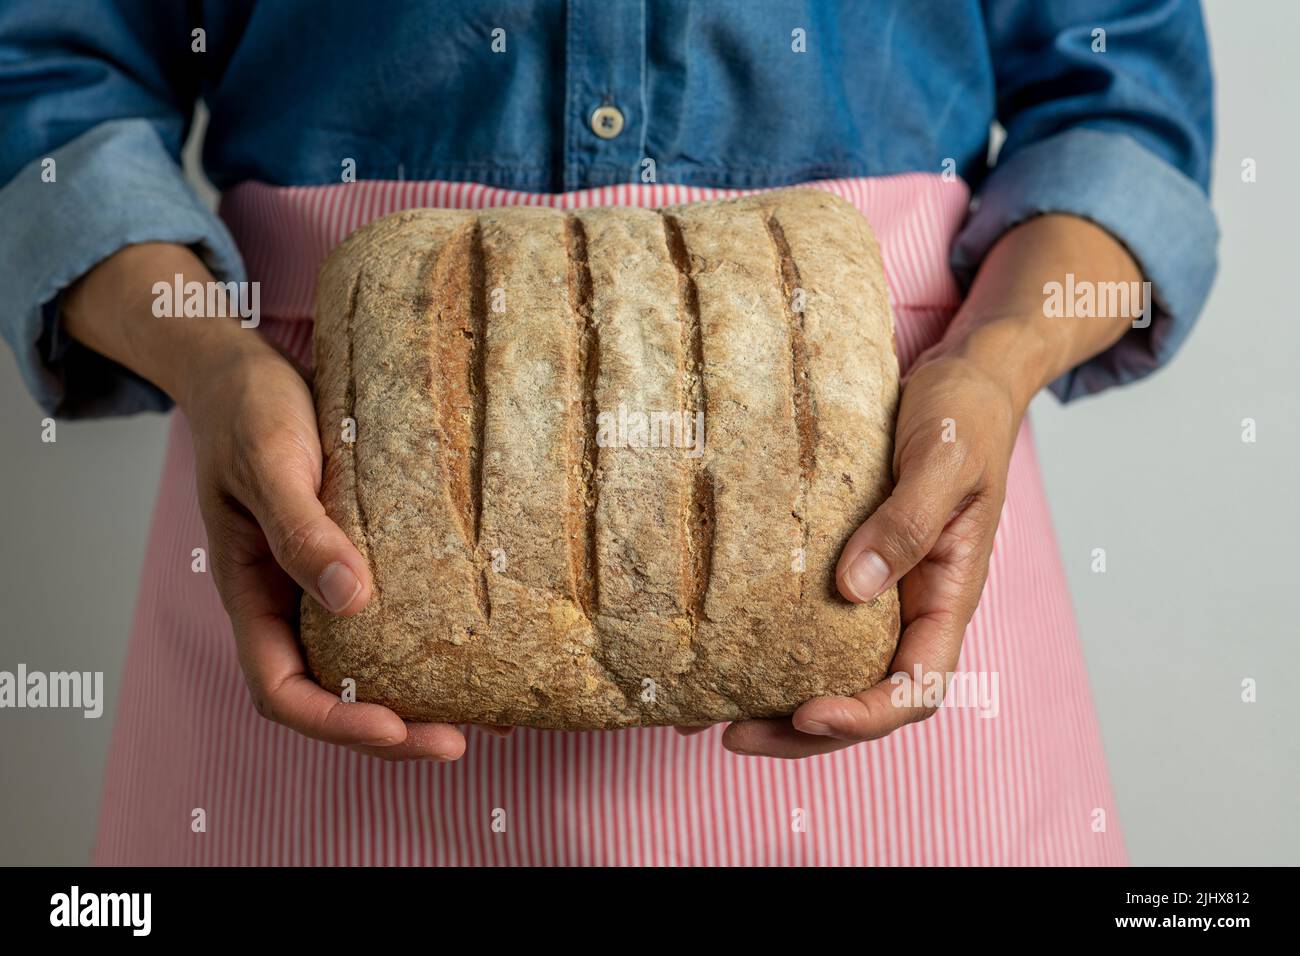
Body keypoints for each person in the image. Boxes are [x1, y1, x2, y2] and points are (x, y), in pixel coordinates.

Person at [0, 1, 1216, 865]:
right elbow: (51, 78)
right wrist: (211, 366)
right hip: (310, 479)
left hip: (888, 473)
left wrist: (993, 368)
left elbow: (1121, 113)